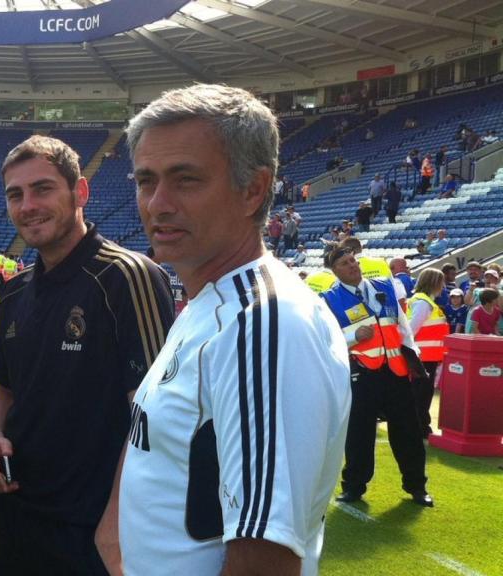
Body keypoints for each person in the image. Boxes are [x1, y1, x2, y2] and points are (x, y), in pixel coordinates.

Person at [99, 84, 350, 576]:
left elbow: (266, 557)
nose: (157, 203)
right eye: (146, 180)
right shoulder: (208, 302)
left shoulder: (262, 323)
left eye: (185, 180)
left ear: (253, 189)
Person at [0, 135, 174, 575]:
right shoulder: (14, 292)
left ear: (80, 192)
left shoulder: (126, 277)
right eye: (16, 194)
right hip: (15, 515)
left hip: (90, 530)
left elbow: (157, 418)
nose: (28, 204)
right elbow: (5, 392)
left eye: (43, 188)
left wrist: (115, 524)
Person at [320, 243, 433, 507]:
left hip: (395, 372)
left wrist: (412, 357)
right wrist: (352, 336)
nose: (352, 266)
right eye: (344, 264)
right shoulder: (328, 299)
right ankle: (354, 487)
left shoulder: (385, 287)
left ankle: (417, 486)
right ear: (334, 271)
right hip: (362, 374)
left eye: (353, 260)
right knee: (359, 433)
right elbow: (324, 339)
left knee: (409, 431)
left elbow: (403, 327)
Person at [407, 269, 448, 438]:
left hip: (426, 355)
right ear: (434, 283)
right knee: (422, 393)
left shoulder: (424, 301)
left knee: (423, 392)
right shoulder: (424, 303)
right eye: (441, 282)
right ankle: (420, 426)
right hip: (423, 356)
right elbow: (411, 329)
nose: (443, 286)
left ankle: (420, 424)